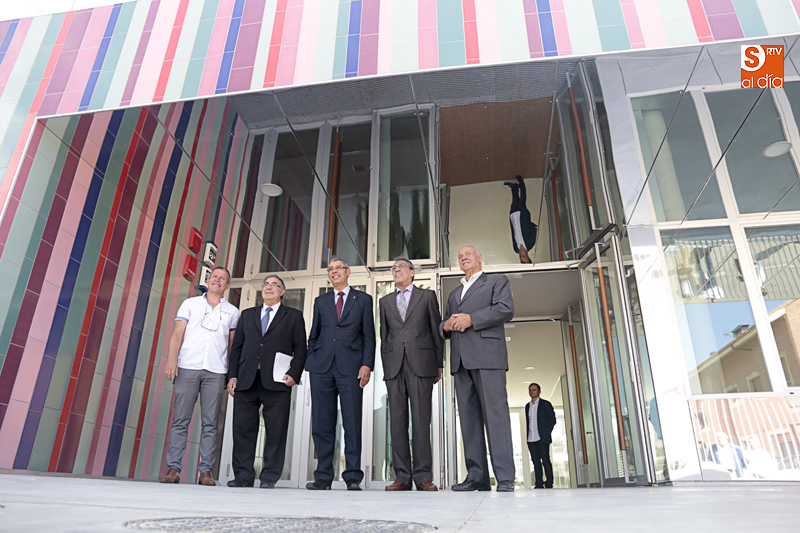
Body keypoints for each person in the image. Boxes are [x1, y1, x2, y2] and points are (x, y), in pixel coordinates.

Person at [440, 245, 516, 492]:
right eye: (460, 256)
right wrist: (446, 325)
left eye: (468, 255)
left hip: (488, 358)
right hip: (461, 362)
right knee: (469, 422)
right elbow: (448, 321)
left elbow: (505, 309)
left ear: (480, 258)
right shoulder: (454, 293)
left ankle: (504, 477)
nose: (463, 258)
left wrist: (472, 319)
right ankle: (477, 477)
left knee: (496, 417)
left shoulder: (496, 281)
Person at [159, 267, 240, 486]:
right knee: (180, 420)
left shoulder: (233, 312)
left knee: (210, 423)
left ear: (227, 285)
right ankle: (174, 468)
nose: (217, 280)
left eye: (222, 278)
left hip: (216, 371)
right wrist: (171, 359)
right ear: (208, 280)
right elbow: (177, 333)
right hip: (187, 367)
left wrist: (232, 374)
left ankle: (205, 472)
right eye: (215, 277)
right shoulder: (190, 304)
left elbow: (233, 345)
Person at [226, 275, 306, 488]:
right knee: (243, 431)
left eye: (275, 285)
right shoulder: (248, 314)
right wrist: (232, 376)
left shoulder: (294, 316)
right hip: (246, 380)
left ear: (282, 292)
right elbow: (237, 348)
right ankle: (243, 477)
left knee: (276, 432)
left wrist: (294, 373)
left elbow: (301, 349)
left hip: (278, 383)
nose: (269, 287)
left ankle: (269, 477)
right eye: (266, 284)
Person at [306, 258, 376, 491]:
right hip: (322, 367)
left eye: (338, 268)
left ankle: (353, 476)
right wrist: (311, 360)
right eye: (330, 269)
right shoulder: (321, 301)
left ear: (348, 272)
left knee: (352, 422)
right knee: (322, 423)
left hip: (351, 368)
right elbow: (314, 335)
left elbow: (368, 336)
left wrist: (367, 365)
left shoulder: (363, 300)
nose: (334, 272)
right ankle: (323, 476)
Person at [379, 259, 443, 492]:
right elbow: (384, 337)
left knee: (420, 422)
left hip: (422, 365)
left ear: (413, 273)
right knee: (396, 423)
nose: (396, 270)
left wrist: (438, 364)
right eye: (393, 268)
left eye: (401, 267)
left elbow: (436, 331)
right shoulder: (384, 301)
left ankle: (423, 476)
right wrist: (386, 367)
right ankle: (402, 477)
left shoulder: (426, 297)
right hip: (394, 367)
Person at [525, 383, 556, 488]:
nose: (532, 392)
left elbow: (552, 420)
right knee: (535, 462)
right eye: (530, 390)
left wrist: (547, 432)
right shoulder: (527, 406)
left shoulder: (546, 404)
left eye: (534, 390)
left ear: (539, 391)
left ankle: (549, 482)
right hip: (531, 438)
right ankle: (538, 483)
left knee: (546, 461)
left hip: (542, 437)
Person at [504, 175, 538, 264]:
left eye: (520, 257)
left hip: (514, 219)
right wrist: (528, 222)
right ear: (529, 258)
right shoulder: (530, 244)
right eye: (523, 256)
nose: (520, 254)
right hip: (523, 217)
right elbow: (535, 229)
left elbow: (513, 234)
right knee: (522, 199)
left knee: (515, 201)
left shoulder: (516, 248)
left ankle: (514, 188)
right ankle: (521, 183)